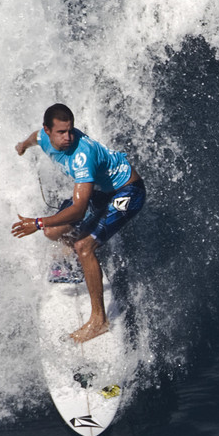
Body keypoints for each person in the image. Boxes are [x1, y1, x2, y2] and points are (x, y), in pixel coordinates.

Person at [11, 103, 145, 343]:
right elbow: (34, 138)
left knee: (84, 245)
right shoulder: (42, 137)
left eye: (70, 131)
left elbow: (78, 210)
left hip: (127, 192)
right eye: (61, 132)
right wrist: (22, 146)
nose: (68, 137)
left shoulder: (82, 156)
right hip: (102, 192)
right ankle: (84, 257)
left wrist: (38, 223)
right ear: (48, 130)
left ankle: (99, 321)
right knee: (53, 232)